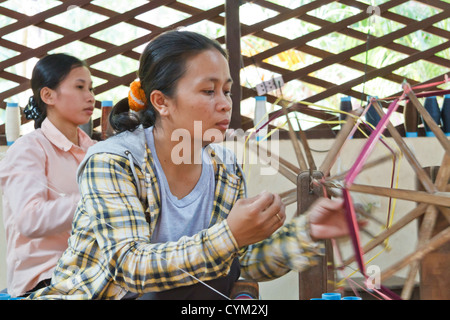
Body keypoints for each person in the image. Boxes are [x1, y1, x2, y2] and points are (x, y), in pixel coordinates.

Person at [27, 31, 353, 300]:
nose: (226, 103)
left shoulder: (224, 168)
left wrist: (306, 232)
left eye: (227, 90)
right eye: (208, 91)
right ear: (161, 101)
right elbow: (129, 267)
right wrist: (230, 234)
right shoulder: (114, 161)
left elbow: (238, 262)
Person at [0, 53, 96, 298]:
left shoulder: (95, 151)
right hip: (43, 277)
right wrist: (96, 201)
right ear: (48, 95)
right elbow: (29, 219)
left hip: (91, 271)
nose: (90, 96)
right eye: (79, 87)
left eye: (91, 88)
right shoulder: (28, 149)